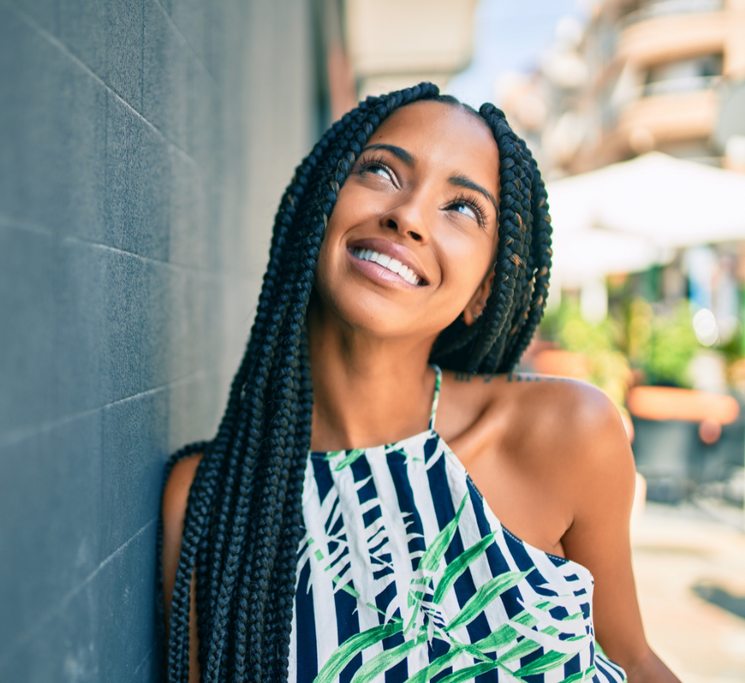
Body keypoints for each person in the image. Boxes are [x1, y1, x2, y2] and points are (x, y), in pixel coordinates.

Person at [159, 83, 678, 683]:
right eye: (380, 171)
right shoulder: (213, 503)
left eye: (462, 208)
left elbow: (634, 659)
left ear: (484, 290)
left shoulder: (565, 434)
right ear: (319, 206)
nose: (407, 216)